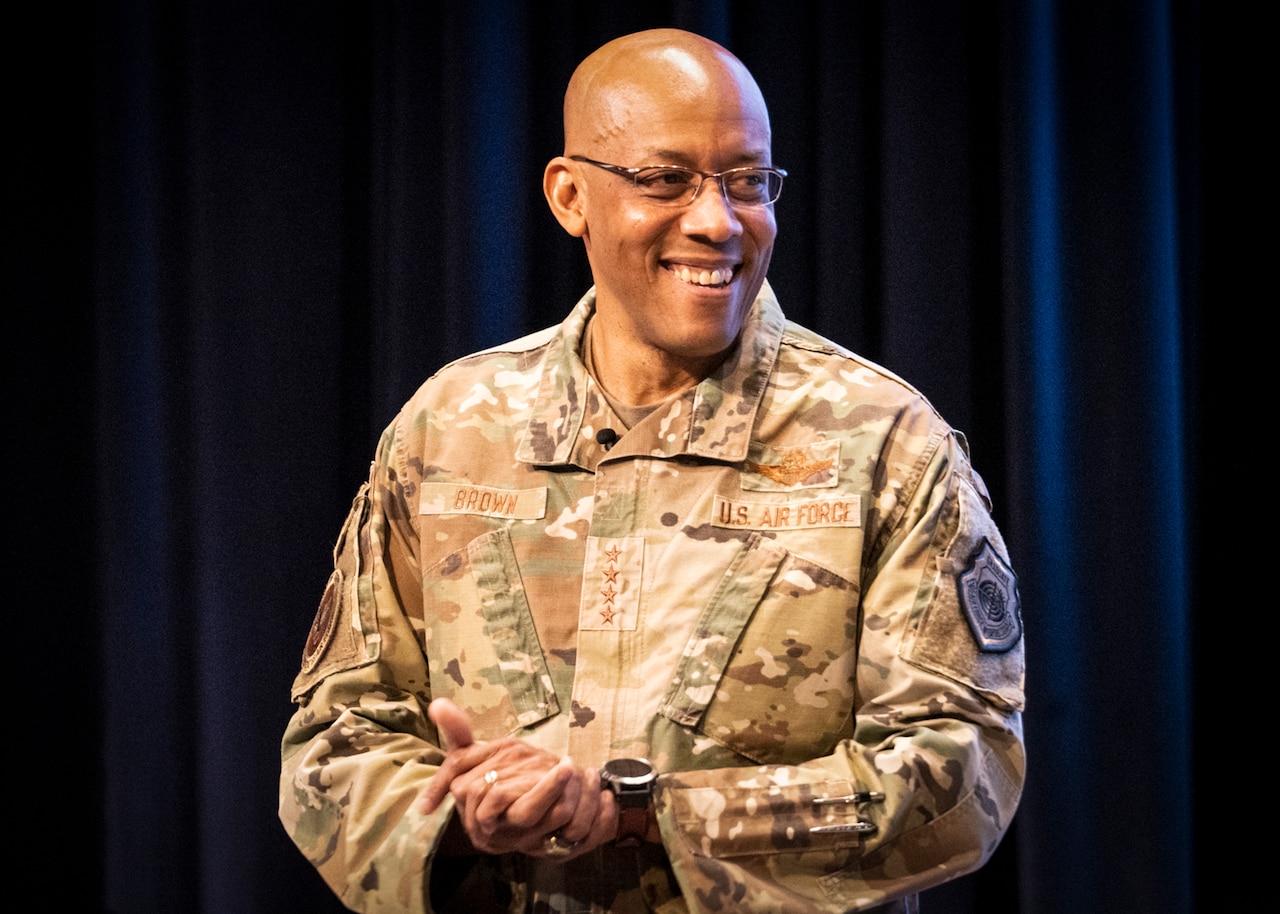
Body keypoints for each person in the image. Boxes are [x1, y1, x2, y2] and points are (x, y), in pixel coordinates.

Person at [279, 27, 1025, 914]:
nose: (716, 220)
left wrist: (646, 812)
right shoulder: (450, 429)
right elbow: (335, 740)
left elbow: (962, 771)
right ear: (569, 196)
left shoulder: (886, 442)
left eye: (747, 181)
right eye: (665, 180)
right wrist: (457, 816)